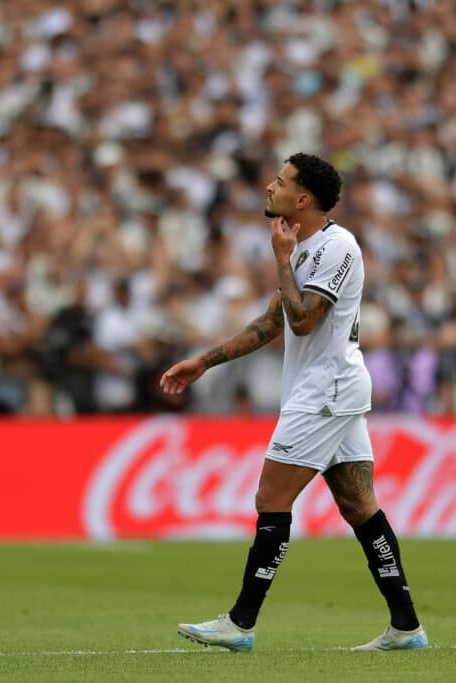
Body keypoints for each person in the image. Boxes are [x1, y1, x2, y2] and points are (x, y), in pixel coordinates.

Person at [160, 153, 428, 653]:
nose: (269, 186)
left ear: (301, 200)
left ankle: (240, 623)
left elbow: (304, 321)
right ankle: (407, 626)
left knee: (271, 498)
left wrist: (280, 258)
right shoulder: (304, 249)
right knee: (359, 505)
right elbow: (270, 324)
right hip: (327, 391)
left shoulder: (337, 246)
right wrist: (203, 361)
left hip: (326, 391)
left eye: (280, 182)